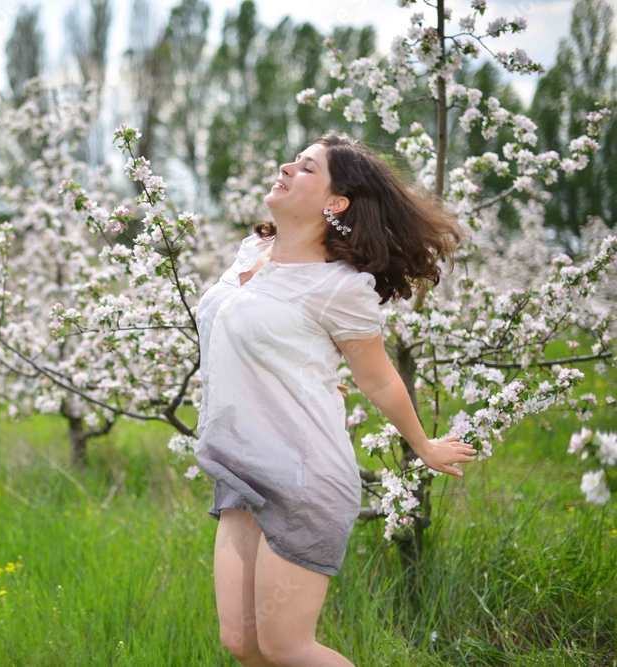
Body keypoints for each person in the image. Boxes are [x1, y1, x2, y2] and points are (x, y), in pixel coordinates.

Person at [193, 131, 476, 667]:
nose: (286, 167)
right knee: (243, 644)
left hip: (303, 478)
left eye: (306, 168)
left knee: (286, 646)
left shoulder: (339, 287)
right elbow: (248, 339)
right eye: (293, 160)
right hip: (238, 466)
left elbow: (379, 379)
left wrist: (423, 446)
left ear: (336, 202)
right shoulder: (251, 252)